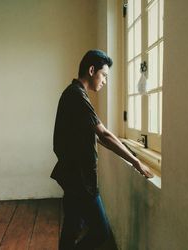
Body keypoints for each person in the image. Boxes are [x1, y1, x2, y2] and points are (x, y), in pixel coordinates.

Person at [51, 49, 154, 250]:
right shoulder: (77, 96)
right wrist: (136, 161)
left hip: (73, 175)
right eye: (104, 75)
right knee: (100, 233)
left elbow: (83, 135)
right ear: (92, 70)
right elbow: (104, 135)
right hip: (80, 179)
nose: (105, 81)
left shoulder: (73, 94)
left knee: (72, 226)